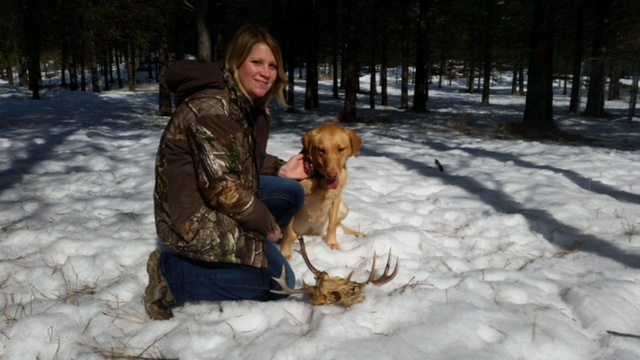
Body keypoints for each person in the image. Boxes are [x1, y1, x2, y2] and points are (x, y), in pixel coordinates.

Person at [144, 24, 309, 320]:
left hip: (212, 201)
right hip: (191, 219)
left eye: (272, 65)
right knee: (280, 282)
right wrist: (266, 224)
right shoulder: (213, 107)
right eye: (256, 62)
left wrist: (280, 168)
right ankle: (173, 275)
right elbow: (223, 186)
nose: (266, 73)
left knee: (291, 192)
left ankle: (246, 251)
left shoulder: (242, 103)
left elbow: (237, 158)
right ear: (236, 62)